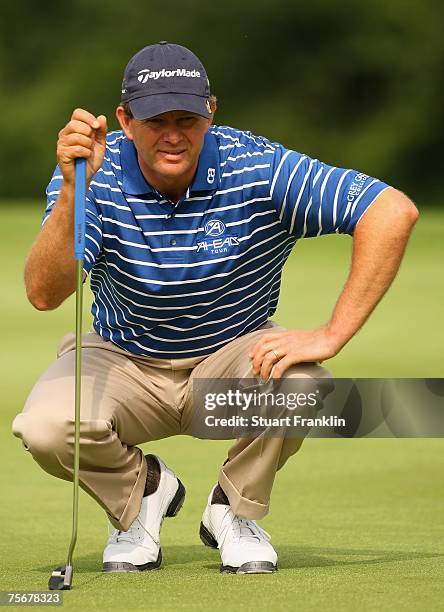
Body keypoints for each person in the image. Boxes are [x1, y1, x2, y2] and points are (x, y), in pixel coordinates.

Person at [12, 41, 418, 575]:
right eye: (157, 119)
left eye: (188, 117)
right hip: (125, 358)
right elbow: (44, 294)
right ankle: (143, 495)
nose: (174, 134)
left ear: (212, 113)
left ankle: (234, 512)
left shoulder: (256, 165)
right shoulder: (94, 175)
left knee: (306, 386)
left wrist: (331, 333)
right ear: (125, 120)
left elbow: (391, 210)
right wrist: (71, 189)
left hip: (232, 359)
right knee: (44, 428)